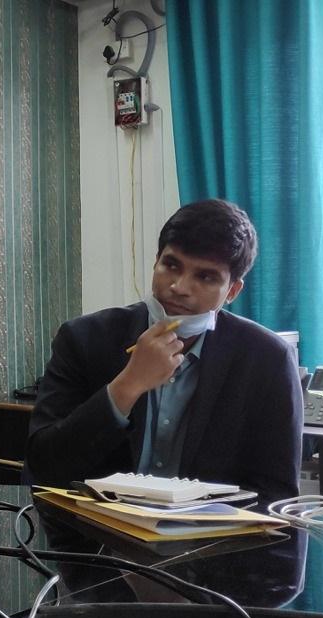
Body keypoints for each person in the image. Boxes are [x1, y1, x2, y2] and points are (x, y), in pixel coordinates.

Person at [25, 198, 302, 504]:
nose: (179, 287)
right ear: (156, 261)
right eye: (171, 265)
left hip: (210, 533)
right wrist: (128, 385)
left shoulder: (268, 359)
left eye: (205, 277)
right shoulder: (84, 338)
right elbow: (43, 468)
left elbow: (276, 497)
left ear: (233, 291)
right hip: (96, 531)